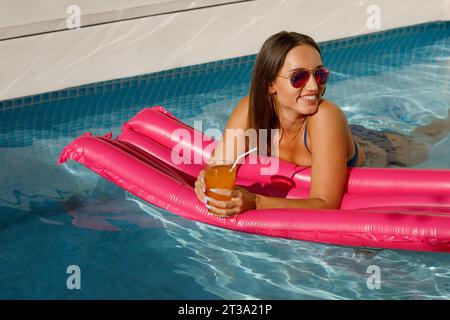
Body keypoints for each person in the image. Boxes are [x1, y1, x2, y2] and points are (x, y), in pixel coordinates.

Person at [194, 31, 450, 217]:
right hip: (339, 141)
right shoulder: (249, 111)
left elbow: (326, 203)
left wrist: (256, 202)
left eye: (320, 74)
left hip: (386, 153)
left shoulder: (324, 116)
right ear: (270, 84)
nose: (314, 86)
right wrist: (204, 184)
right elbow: (218, 167)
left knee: (429, 137)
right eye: (299, 78)